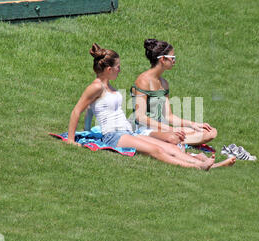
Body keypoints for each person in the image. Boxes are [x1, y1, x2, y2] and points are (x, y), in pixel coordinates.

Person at [66, 43, 235, 170]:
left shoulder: (109, 86)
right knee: (156, 150)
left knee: (169, 147)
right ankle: (196, 166)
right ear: (108, 69)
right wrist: (71, 140)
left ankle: (203, 162)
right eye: (118, 67)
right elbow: (77, 110)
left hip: (127, 132)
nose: (120, 70)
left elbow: (91, 111)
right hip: (114, 136)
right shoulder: (96, 87)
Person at [130, 39, 218, 146]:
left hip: (162, 126)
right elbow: (140, 117)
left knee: (210, 133)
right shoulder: (143, 81)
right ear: (162, 59)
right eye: (172, 58)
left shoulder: (164, 83)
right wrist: (170, 129)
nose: (174, 61)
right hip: (144, 129)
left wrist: (193, 124)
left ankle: (172, 139)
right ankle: (170, 140)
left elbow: (168, 116)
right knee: (173, 138)